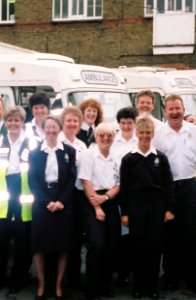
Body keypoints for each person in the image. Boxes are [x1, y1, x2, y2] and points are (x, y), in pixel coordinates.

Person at [152, 94, 196, 296]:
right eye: (171, 109)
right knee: (169, 236)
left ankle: (193, 279)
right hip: (167, 189)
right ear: (165, 111)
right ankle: (171, 278)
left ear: (183, 109)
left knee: (190, 235)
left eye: (178, 108)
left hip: (189, 187)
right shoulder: (158, 134)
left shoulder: (194, 131)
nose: (175, 112)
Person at [119, 117, 175, 300]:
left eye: (148, 133)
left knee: (154, 246)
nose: (145, 136)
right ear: (137, 134)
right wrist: (125, 212)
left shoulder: (160, 157)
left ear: (153, 134)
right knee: (138, 247)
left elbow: (168, 184)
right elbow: (124, 187)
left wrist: (169, 209)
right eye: (141, 132)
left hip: (156, 206)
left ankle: (152, 286)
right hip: (135, 206)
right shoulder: (129, 159)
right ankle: (139, 285)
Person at [29, 116, 77, 300]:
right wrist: (45, 201)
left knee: (63, 245)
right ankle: (41, 285)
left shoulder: (69, 151)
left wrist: (62, 201)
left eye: (54, 127)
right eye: (47, 127)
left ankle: (58, 286)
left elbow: (72, 178)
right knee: (39, 245)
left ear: (59, 129)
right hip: (42, 199)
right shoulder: (34, 153)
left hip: (63, 200)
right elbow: (32, 180)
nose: (51, 130)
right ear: (43, 129)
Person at [0, 106, 34, 294]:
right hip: (2, 195)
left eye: (16, 120)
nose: (13, 123)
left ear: (22, 122)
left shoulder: (32, 143)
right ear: (6, 123)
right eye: (10, 120)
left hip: (24, 195)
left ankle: (18, 278)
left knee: (23, 240)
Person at [78, 122, 121, 300]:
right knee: (96, 244)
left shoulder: (116, 156)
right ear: (96, 137)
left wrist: (107, 198)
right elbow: (85, 181)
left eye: (109, 135)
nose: (105, 138)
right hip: (91, 200)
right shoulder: (88, 154)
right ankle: (91, 288)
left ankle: (105, 284)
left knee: (112, 245)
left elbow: (119, 183)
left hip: (109, 199)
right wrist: (97, 206)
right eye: (101, 135)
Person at [57, 106, 88, 290]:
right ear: (63, 122)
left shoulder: (81, 145)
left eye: (75, 121)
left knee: (76, 238)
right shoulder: (57, 142)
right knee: (61, 238)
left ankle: (74, 279)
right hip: (61, 196)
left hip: (77, 196)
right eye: (69, 120)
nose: (72, 123)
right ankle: (58, 280)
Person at [111, 106, 139, 286]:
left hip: (136, 193)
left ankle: (135, 270)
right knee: (121, 233)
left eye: (130, 123)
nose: (126, 126)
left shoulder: (141, 141)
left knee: (136, 234)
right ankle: (122, 271)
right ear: (119, 124)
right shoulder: (113, 142)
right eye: (123, 123)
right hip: (117, 192)